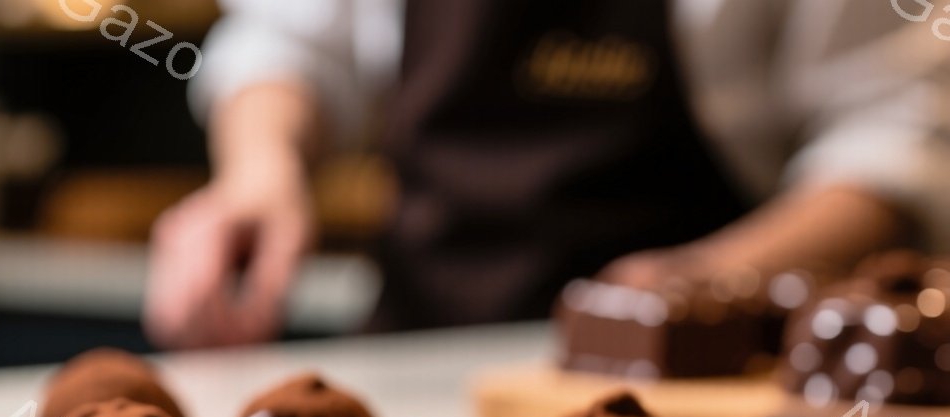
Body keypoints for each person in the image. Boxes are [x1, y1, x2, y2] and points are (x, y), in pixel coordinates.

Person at [144, 0, 950, 349]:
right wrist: (259, 174)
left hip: (684, 391)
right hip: (421, 354)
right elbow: (290, 47)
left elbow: (892, 136)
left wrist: (715, 279)